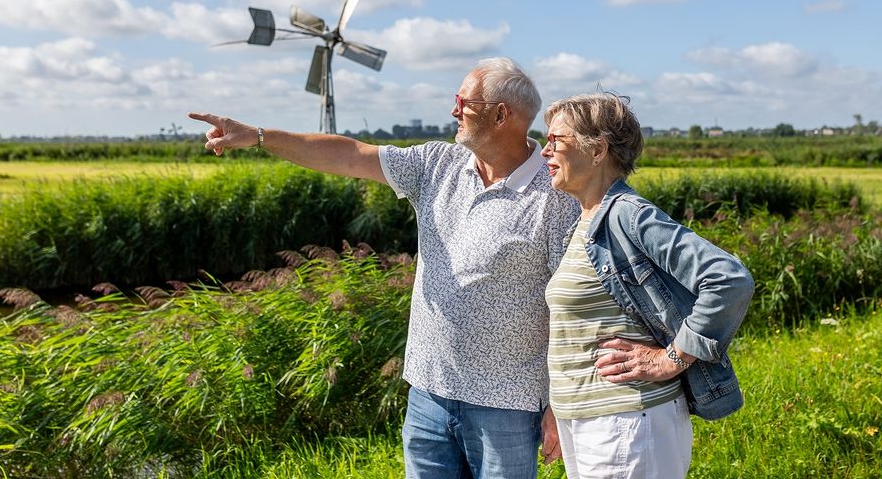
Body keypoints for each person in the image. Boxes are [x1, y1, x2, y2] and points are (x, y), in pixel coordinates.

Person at [188, 57, 580, 479]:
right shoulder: (436, 165)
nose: (453, 111)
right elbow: (350, 154)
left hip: (506, 405)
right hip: (428, 396)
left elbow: (573, 308)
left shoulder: (556, 193)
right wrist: (259, 137)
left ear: (501, 114)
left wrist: (560, 404)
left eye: (462, 101)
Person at [539, 92, 754, 479]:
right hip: (589, 422)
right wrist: (558, 408)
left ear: (598, 149)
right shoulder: (586, 221)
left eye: (556, 141)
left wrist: (668, 359)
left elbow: (728, 279)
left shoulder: (627, 215)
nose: (544, 151)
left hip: (626, 424)